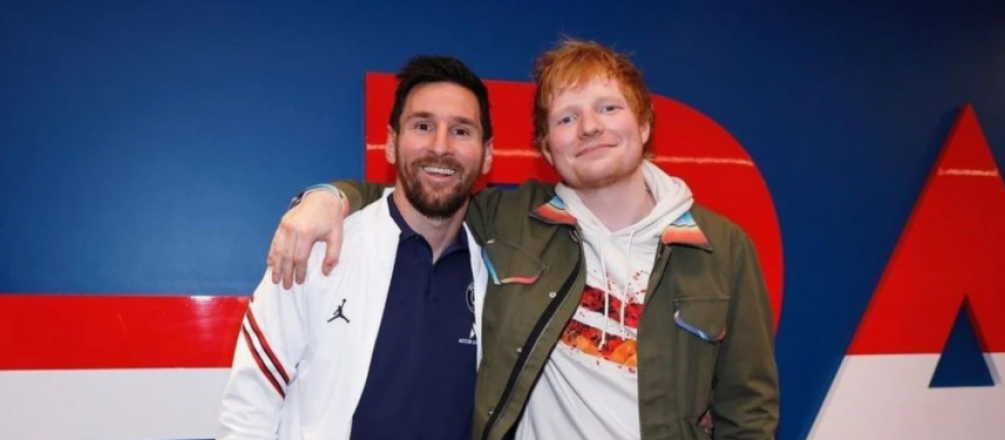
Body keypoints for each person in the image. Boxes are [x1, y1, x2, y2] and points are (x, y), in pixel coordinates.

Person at [271, 38, 779, 440]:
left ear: (644, 123)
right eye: (566, 117)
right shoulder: (510, 217)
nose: (589, 128)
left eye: (607, 108)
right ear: (546, 147)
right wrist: (327, 198)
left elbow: (748, 411)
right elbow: (418, 190)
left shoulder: (723, 248)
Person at [216, 55, 495, 440]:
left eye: (461, 131)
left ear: (487, 154)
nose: (440, 146)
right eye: (423, 125)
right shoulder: (316, 249)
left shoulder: (498, 271)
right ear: (393, 143)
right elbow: (249, 409)